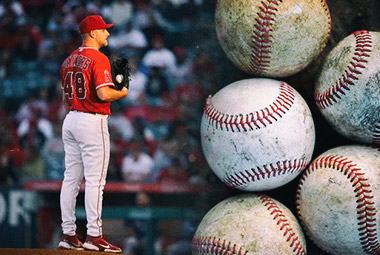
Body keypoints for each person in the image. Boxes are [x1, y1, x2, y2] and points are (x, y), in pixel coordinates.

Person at [58, 15, 128, 253]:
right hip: (91, 121)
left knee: (71, 179)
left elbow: (66, 101)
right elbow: (104, 95)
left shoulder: (68, 61)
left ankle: (68, 234)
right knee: (96, 182)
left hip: (71, 119)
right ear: (92, 33)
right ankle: (94, 236)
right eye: (103, 30)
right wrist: (123, 91)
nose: (107, 34)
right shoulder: (98, 58)